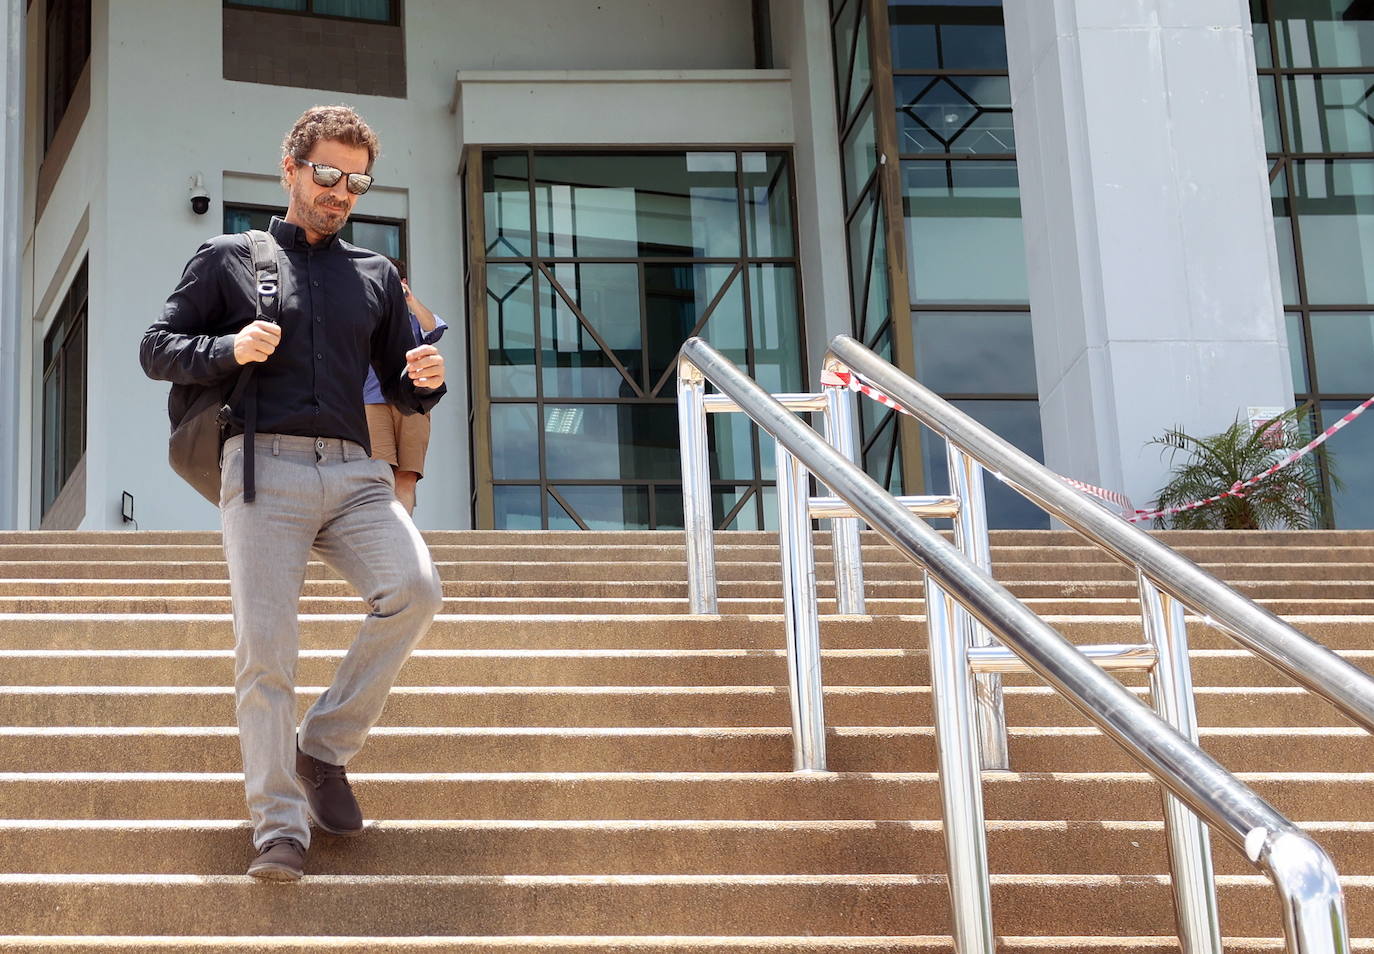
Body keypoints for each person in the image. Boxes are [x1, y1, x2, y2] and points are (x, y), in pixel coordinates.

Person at [140, 105, 446, 882]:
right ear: (291, 170)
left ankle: (321, 749)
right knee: (266, 655)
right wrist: (227, 347)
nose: (341, 191)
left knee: (415, 590)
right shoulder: (227, 257)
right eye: (327, 173)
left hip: (354, 472)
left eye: (355, 180)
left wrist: (424, 383)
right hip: (261, 468)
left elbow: (403, 387)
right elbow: (156, 348)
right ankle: (279, 828)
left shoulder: (375, 275)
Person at [364, 257, 446, 514]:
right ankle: (385, 537)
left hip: (411, 402)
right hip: (370, 401)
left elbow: (433, 328)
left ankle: (404, 538)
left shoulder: (412, 319)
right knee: (380, 475)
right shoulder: (364, 313)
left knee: (407, 475)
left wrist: (408, 299)